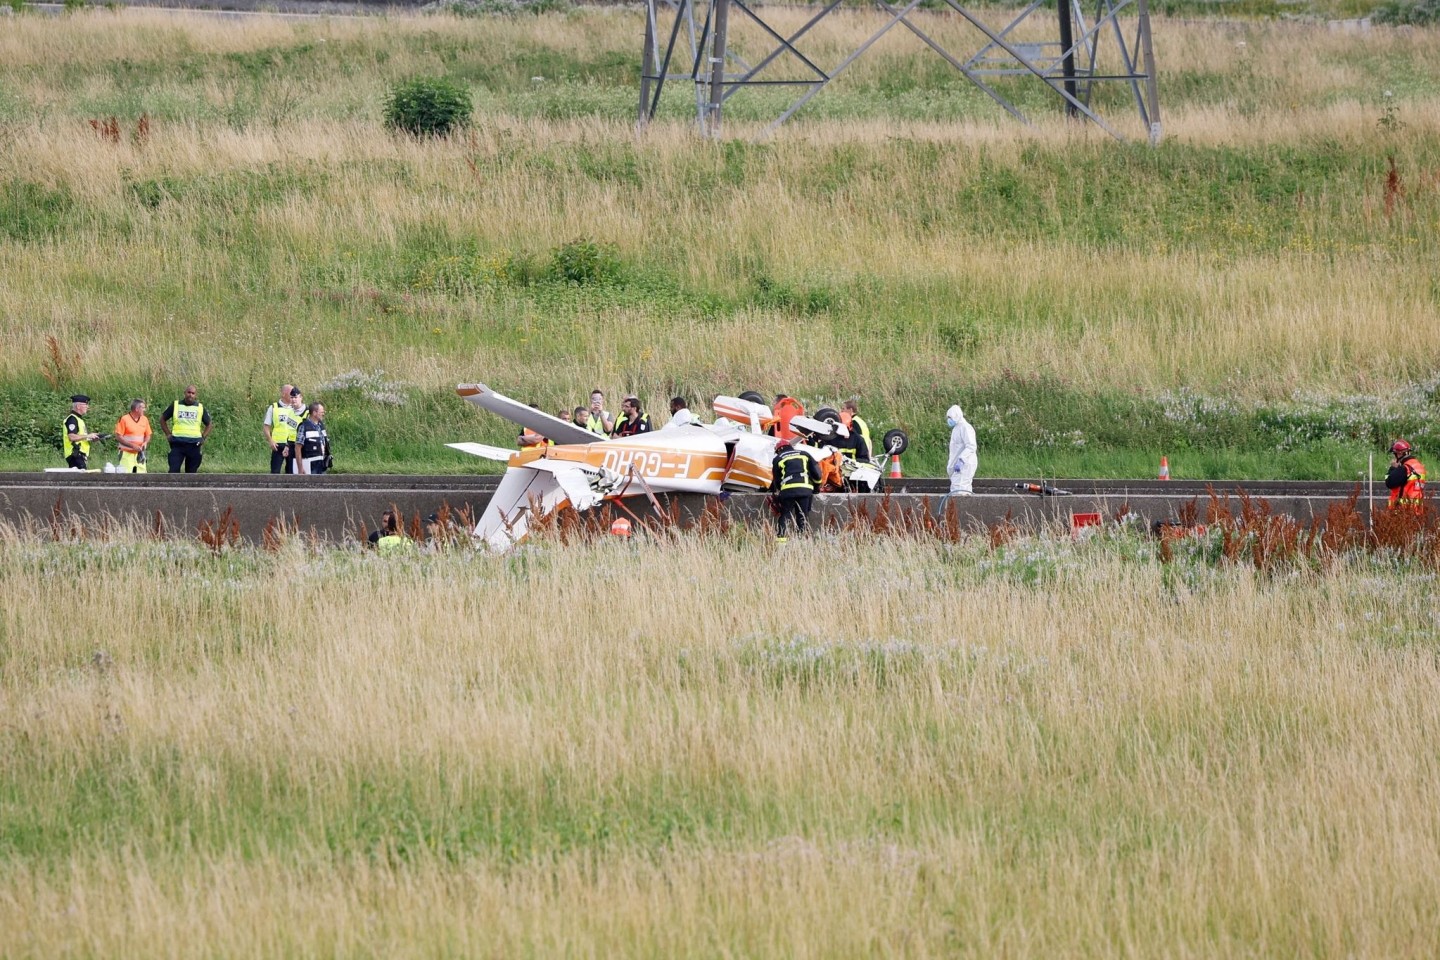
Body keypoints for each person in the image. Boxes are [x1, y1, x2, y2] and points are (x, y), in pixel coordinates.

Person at [770, 440, 820, 542]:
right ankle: (801, 542)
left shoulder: (778, 458)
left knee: (785, 515)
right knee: (802, 516)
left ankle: (781, 542)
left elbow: (777, 479)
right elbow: (817, 474)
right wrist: (817, 487)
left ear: (779, 449)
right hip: (805, 490)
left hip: (788, 491)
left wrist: (779, 491)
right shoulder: (805, 454)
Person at [160, 384, 213, 473]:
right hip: (177, 443)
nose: (190, 395)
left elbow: (209, 424)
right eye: (189, 392)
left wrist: (203, 437)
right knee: (173, 471)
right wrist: (168, 434)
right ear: (184, 393)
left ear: (195, 395)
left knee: (191, 472)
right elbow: (162, 419)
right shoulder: (176, 405)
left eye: (193, 393)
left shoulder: (200, 407)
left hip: (194, 444)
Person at [263, 384, 303, 474]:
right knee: (275, 472)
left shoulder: (296, 408)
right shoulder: (274, 407)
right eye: (291, 393)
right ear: (283, 394)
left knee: (291, 471)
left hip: (291, 445)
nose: (293, 395)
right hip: (278, 445)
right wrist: (270, 440)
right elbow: (266, 426)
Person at [62, 394, 102, 470]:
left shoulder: (79, 419)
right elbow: (71, 437)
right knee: (80, 479)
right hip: (75, 455)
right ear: (78, 406)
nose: (88, 407)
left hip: (79, 455)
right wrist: (88, 436)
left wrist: (91, 438)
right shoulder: (72, 419)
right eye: (85, 404)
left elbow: (80, 437)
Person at [946, 404, 978, 496]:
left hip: (965, 464)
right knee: (961, 489)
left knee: (960, 490)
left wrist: (961, 460)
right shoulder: (957, 428)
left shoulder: (965, 427)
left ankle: (961, 509)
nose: (949, 420)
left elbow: (971, 446)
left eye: (950, 417)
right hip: (959, 465)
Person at [114, 399, 152, 474]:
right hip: (126, 453)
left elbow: (148, 434)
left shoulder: (144, 419)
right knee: (125, 475)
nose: (145, 410)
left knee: (142, 476)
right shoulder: (124, 419)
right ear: (137, 409)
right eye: (143, 408)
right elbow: (118, 436)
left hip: (140, 454)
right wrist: (132, 446)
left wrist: (145, 442)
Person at [1387, 440, 1426, 512]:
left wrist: (1392, 468)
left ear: (1399, 454)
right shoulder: (1419, 466)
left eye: (1395, 454)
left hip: (1403, 510)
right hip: (1417, 509)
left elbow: (1389, 483)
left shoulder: (1404, 468)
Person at [295, 402, 332, 475]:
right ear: (314, 413)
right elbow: (297, 448)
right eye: (321, 412)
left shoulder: (321, 425)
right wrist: (300, 468)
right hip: (310, 465)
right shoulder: (304, 426)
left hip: (322, 464)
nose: (323, 414)